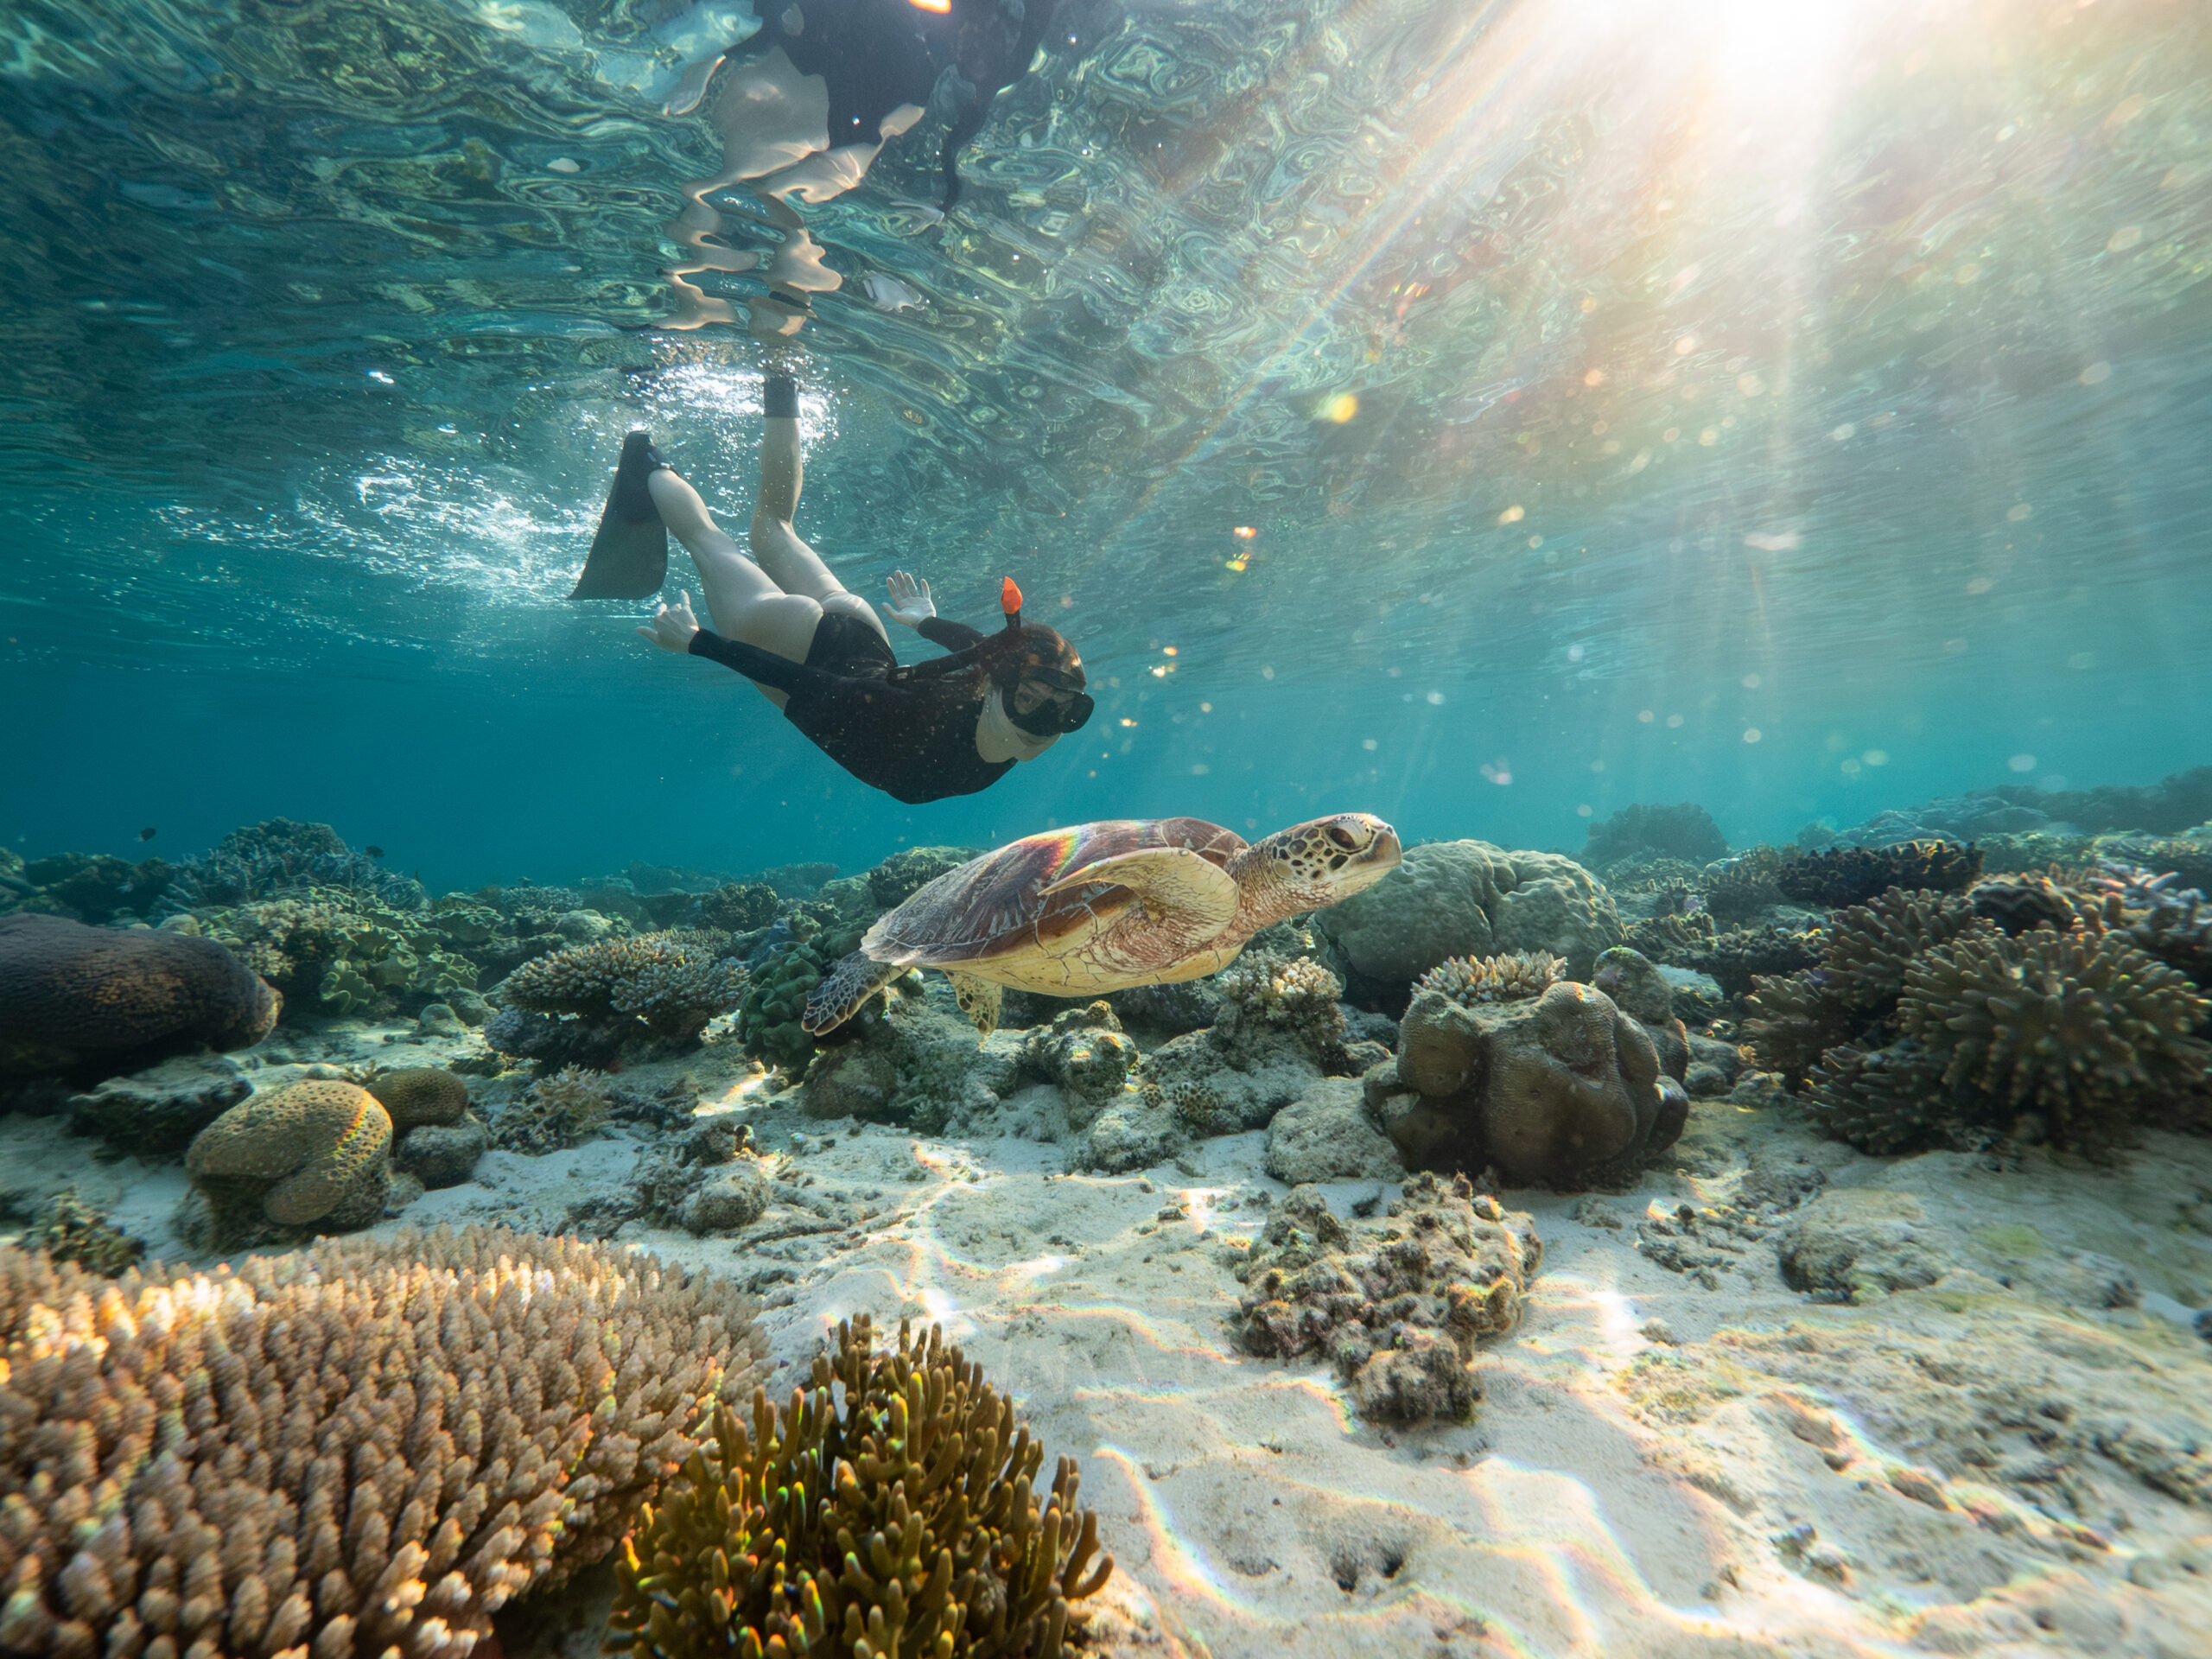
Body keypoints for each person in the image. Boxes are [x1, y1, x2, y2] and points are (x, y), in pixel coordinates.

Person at [570, 372, 1092, 805]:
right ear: (997, 688)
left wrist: (925, 621)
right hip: (802, 647)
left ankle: (782, 384)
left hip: (858, 627)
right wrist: (697, 642)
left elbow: (985, 647)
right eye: (1029, 699)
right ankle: (648, 468)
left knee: (775, 527)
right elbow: (810, 685)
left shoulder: (999, 696)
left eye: (1063, 710)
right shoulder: (916, 719)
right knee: (708, 542)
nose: (1042, 724)